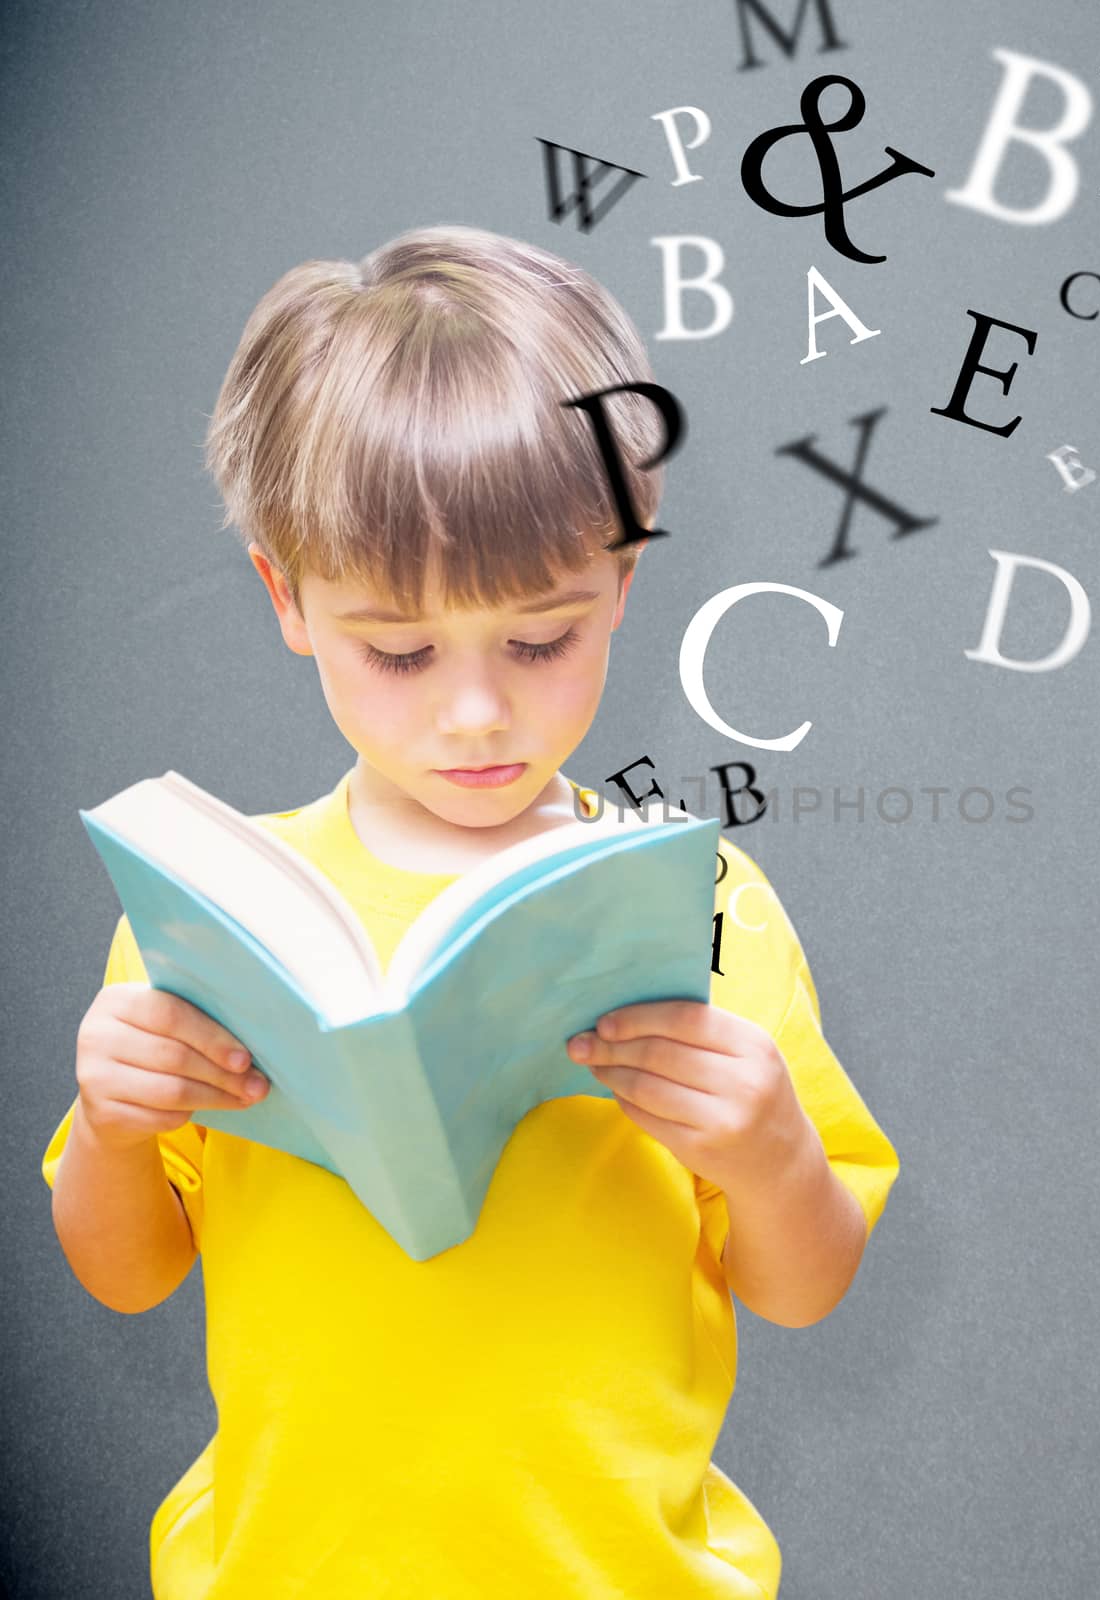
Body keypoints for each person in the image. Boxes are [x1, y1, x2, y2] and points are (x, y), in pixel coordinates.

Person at [41, 223, 899, 1598]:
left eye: (542, 635)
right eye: (399, 649)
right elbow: (128, 1275)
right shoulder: (217, 912)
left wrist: (773, 1152)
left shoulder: (708, 907)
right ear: (289, 599)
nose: (476, 710)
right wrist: (112, 1124)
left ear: (622, 582)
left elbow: (803, 1286)